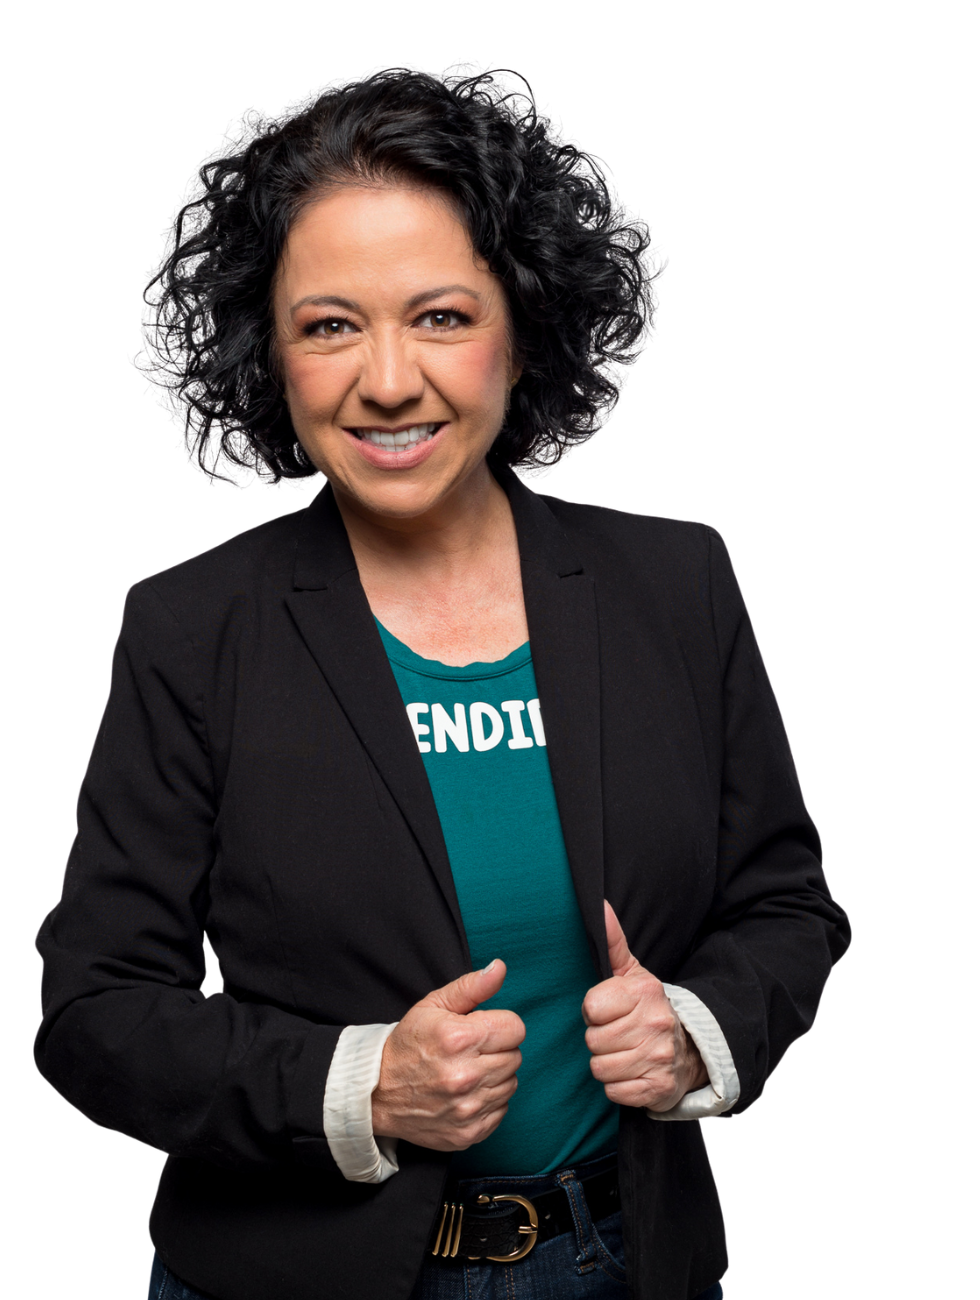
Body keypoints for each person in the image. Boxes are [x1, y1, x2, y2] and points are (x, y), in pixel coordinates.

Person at [34, 62, 850, 1300]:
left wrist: (695, 1032)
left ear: (522, 328)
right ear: (269, 354)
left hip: (626, 1263)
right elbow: (94, 1010)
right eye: (328, 325)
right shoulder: (191, 627)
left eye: (440, 316)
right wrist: (361, 1086)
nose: (385, 380)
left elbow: (787, 904)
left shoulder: (675, 582)